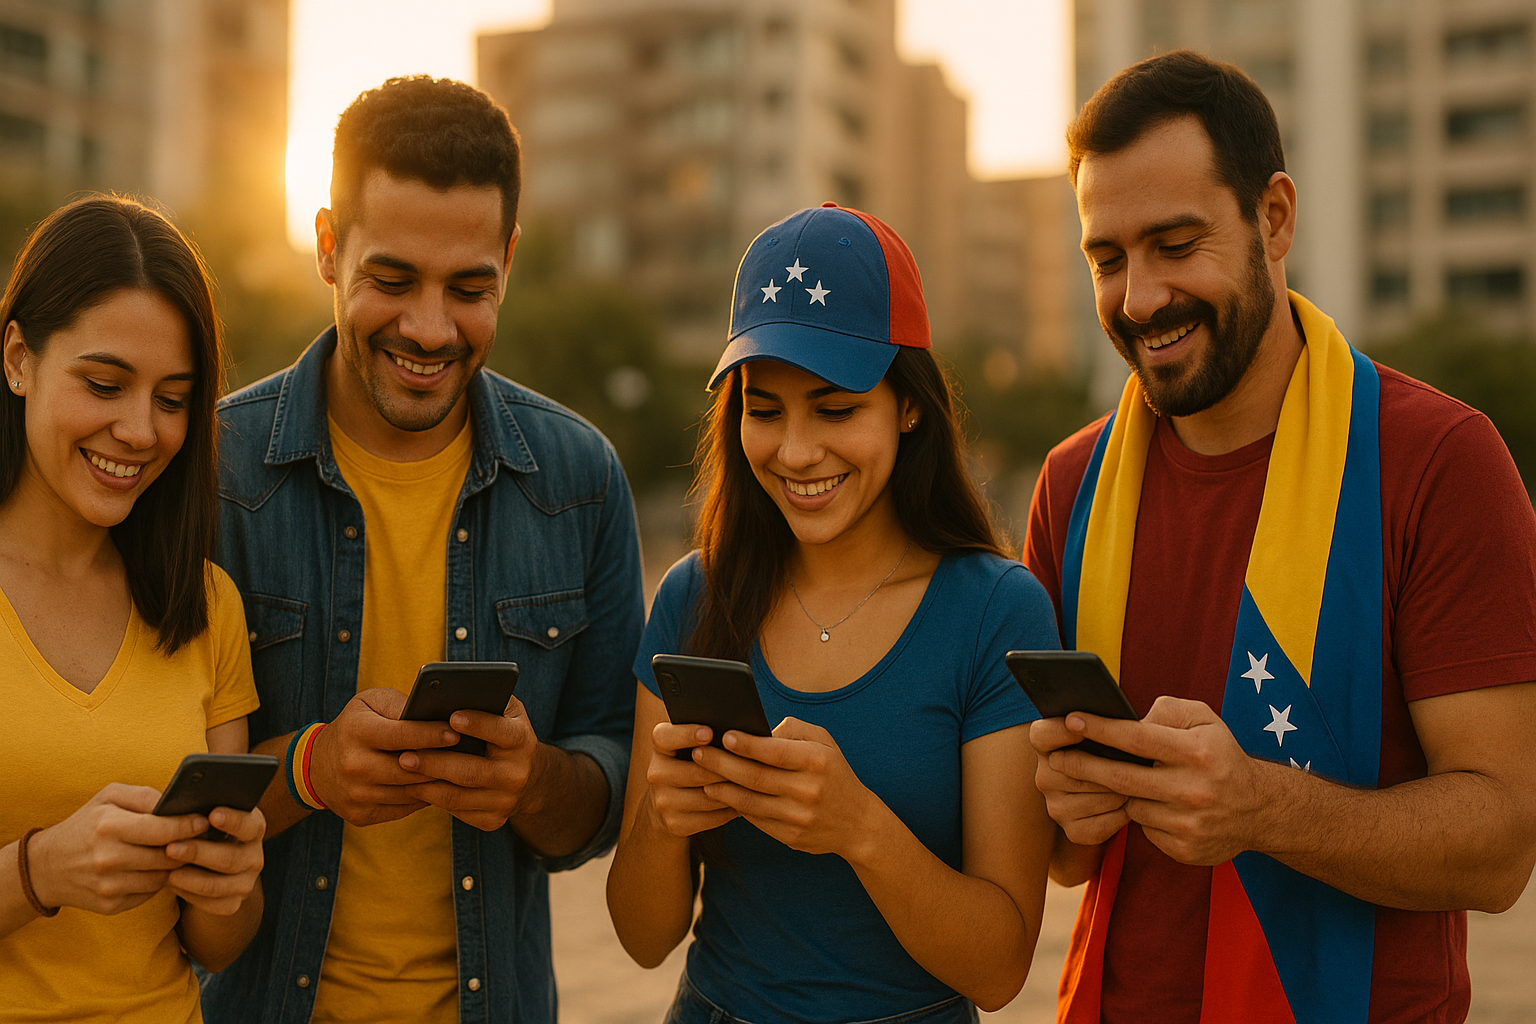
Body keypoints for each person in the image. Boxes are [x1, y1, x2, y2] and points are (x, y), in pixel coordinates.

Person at [1024, 50, 1536, 1024]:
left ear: (1275, 217)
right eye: (1108, 257)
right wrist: (1065, 813)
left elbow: (1506, 843)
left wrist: (1257, 805)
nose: (1139, 298)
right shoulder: (1068, 485)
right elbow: (1054, 851)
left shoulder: (1442, 461)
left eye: (1176, 244)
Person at [200, 77, 644, 1024]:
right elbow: (153, 790)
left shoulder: (582, 480)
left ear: (511, 261)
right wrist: (311, 769)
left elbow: (606, 791)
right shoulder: (212, 474)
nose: (430, 329)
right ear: (327, 247)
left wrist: (531, 781)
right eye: (392, 281)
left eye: (471, 288)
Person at [607, 203, 1059, 1023]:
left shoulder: (997, 612)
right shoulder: (692, 598)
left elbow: (998, 971)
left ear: (910, 405)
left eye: (836, 408)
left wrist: (858, 828)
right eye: (764, 409)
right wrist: (662, 819)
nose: (796, 452)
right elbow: (642, 938)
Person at [0, 196, 265, 1022]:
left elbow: (216, 945)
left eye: (173, 398)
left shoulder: (203, 604)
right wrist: (39, 872)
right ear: (17, 359)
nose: (140, 431)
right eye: (105, 384)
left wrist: (230, 882)